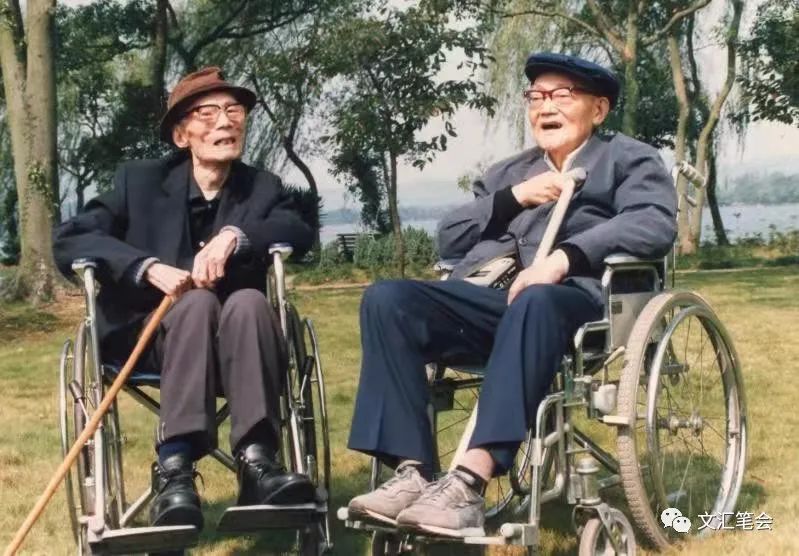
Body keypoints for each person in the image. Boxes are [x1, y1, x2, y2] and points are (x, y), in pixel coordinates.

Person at [345, 52, 678, 537]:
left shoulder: (628, 158)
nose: (546, 106)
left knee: (535, 299)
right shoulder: (508, 173)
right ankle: (412, 473)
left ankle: (468, 482)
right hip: (494, 300)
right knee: (387, 300)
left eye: (562, 95)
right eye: (536, 96)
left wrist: (564, 258)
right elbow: (450, 239)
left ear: (599, 109)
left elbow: (653, 223)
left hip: (578, 303)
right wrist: (515, 198)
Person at [53, 67, 316, 532]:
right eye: (208, 113)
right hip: (151, 340)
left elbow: (297, 228)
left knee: (249, 301)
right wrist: (146, 267)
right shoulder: (139, 182)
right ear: (181, 135)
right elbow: (72, 238)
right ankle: (174, 468)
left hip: (242, 345)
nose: (225, 121)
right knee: (195, 304)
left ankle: (258, 462)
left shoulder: (262, 187)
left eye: (234, 111)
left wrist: (235, 236)